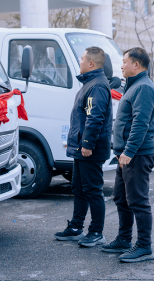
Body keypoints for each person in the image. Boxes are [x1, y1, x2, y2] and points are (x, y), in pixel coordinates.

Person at [102, 47, 154, 263]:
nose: (121, 65)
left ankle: (144, 247)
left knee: (138, 201)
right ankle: (124, 239)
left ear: (136, 65)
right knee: (121, 197)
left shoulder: (143, 88)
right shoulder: (133, 86)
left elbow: (140, 123)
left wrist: (129, 151)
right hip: (126, 154)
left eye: (125, 61)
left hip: (136, 155)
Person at [54, 46, 112, 247]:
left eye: (81, 59)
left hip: (90, 150)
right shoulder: (90, 83)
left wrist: (87, 143)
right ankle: (76, 227)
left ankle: (96, 232)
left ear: (91, 63)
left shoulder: (97, 86)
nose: (79, 62)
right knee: (78, 188)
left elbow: (95, 118)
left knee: (93, 190)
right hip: (82, 148)